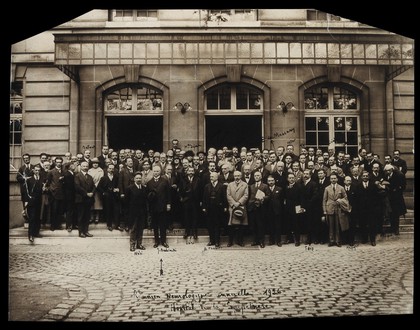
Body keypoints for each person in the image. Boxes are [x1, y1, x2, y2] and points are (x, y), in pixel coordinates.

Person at [146, 165, 171, 248]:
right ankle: (156, 241)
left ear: (160, 172)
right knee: (155, 225)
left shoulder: (164, 181)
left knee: (163, 225)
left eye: (157, 171)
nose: (155, 173)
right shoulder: (149, 182)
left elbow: (168, 194)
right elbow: (147, 196)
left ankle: (163, 241)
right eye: (154, 171)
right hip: (153, 207)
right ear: (152, 172)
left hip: (162, 206)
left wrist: (168, 204)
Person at [323, 173, 349, 247]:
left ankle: (338, 241)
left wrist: (340, 201)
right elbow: (324, 200)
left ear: (337, 179)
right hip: (330, 208)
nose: (333, 180)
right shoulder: (327, 188)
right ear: (330, 179)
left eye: (334, 178)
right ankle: (331, 240)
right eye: (332, 178)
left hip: (339, 209)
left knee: (338, 226)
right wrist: (325, 210)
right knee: (330, 226)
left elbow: (346, 198)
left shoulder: (341, 188)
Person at [202, 171, 227, 247]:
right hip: (209, 208)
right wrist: (204, 207)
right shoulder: (207, 186)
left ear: (216, 177)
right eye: (210, 177)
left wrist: (225, 206)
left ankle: (217, 241)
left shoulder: (221, 186)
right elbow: (204, 197)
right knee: (210, 225)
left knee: (217, 225)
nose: (211, 178)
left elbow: (224, 197)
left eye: (212, 177)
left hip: (218, 208)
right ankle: (211, 240)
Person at [126, 173, 148, 251]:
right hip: (133, 213)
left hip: (142, 212)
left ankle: (139, 244)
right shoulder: (130, 188)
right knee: (133, 229)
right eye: (137, 178)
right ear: (134, 179)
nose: (138, 179)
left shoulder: (144, 188)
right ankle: (132, 245)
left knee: (140, 229)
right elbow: (126, 202)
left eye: (140, 178)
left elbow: (145, 201)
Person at [226, 171, 249, 247]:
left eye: (238, 175)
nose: (237, 177)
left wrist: (238, 203)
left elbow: (246, 195)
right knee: (231, 225)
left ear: (241, 176)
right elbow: (228, 195)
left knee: (241, 225)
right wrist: (233, 204)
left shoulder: (245, 184)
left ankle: (240, 241)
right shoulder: (230, 185)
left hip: (241, 206)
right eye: (235, 176)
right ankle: (230, 241)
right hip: (232, 207)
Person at [248, 171, 270, 248]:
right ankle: (255, 240)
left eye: (258, 175)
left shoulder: (265, 186)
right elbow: (249, 196)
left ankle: (261, 241)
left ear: (261, 177)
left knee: (261, 225)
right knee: (253, 225)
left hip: (261, 208)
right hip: (253, 208)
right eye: (255, 176)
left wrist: (263, 198)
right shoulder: (251, 186)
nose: (256, 177)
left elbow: (268, 196)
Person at [383, 164, 407, 235]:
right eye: (386, 170)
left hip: (396, 198)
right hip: (389, 198)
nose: (388, 172)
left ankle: (396, 229)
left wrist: (393, 188)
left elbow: (403, 186)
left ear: (392, 170)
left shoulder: (398, 176)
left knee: (396, 214)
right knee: (390, 213)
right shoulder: (386, 176)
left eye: (389, 170)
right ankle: (392, 227)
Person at [97, 163, 122, 231]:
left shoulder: (116, 177)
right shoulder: (103, 178)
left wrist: (117, 189)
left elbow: (119, 185)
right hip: (107, 197)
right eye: (110, 168)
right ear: (107, 169)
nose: (111, 170)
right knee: (108, 211)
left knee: (116, 211)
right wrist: (104, 193)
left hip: (115, 197)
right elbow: (99, 187)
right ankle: (109, 225)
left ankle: (117, 225)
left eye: (112, 169)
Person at [74, 161, 95, 238]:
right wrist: (86, 193)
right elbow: (77, 187)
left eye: (86, 166)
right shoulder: (77, 176)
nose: (85, 167)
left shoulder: (90, 176)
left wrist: (92, 193)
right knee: (81, 216)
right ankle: (81, 232)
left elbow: (94, 186)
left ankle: (86, 231)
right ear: (81, 167)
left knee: (87, 216)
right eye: (84, 166)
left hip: (88, 200)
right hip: (81, 199)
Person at [179, 166, 201, 239]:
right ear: (187, 172)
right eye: (189, 171)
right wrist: (182, 198)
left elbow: (201, 191)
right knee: (186, 217)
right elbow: (180, 190)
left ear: (194, 172)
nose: (191, 172)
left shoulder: (198, 179)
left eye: (192, 171)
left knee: (195, 217)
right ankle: (187, 231)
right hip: (186, 201)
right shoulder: (183, 180)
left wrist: (200, 200)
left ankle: (194, 232)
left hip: (195, 201)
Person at [24, 165, 43, 242]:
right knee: (32, 218)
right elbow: (26, 191)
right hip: (31, 201)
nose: (37, 171)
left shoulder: (42, 179)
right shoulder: (29, 180)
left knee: (37, 217)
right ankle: (30, 235)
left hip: (39, 201)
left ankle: (36, 233)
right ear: (33, 171)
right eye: (36, 170)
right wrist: (26, 201)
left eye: (38, 170)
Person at [45, 156, 65, 230]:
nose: (59, 164)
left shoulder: (64, 171)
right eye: (57, 162)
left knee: (60, 210)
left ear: (62, 163)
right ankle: (53, 225)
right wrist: (51, 189)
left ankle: (58, 225)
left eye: (60, 162)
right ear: (55, 163)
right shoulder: (51, 172)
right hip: (54, 194)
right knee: (54, 210)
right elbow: (48, 182)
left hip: (62, 194)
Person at [265, 175, 284, 246]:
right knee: (270, 226)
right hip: (268, 210)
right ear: (267, 182)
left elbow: (282, 201)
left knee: (278, 226)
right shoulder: (265, 189)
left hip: (277, 210)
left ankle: (278, 241)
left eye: (272, 180)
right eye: (269, 181)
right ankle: (271, 240)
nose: (271, 182)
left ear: (274, 181)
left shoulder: (279, 189)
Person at [88, 158, 104, 224]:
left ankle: (97, 217)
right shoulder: (89, 170)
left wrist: (96, 185)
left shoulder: (101, 170)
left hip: (98, 189)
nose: (95, 164)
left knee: (97, 203)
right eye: (94, 163)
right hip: (91, 188)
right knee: (91, 203)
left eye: (96, 163)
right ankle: (91, 217)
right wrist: (92, 186)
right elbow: (88, 179)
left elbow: (101, 179)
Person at [63, 162, 77, 232]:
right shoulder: (67, 174)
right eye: (72, 165)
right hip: (69, 196)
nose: (74, 166)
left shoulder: (73, 174)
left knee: (73, 210)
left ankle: (73, 224)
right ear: (69, 167)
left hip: (73, 195)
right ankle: (69, 225)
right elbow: (69, 186)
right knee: (69, 211)